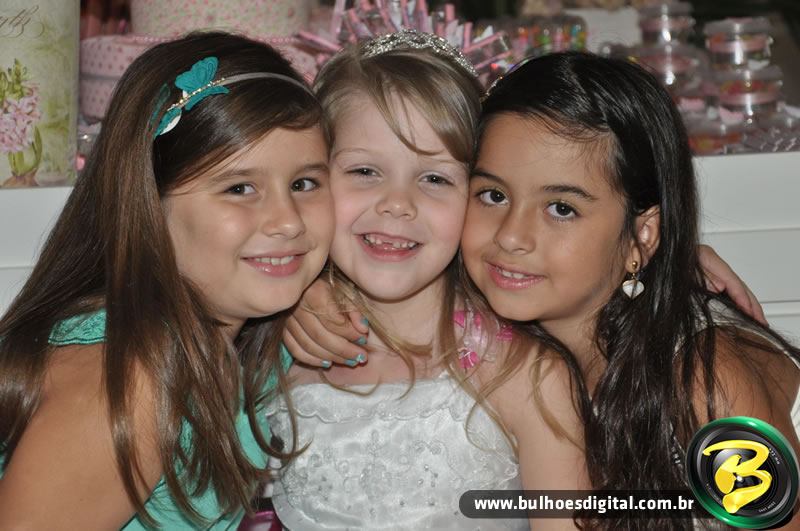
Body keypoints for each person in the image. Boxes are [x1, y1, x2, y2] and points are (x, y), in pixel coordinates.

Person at [0, 32, 334, 530]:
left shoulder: (242, 334)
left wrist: (318, 291)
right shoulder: (130, 386)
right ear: (148, 205)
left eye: (304, 183)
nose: (288, 221)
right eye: (239, 188)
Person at [459, 51, 800, 529]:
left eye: (561, 208)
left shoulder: (703, 382)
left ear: (643, 233)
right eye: (493, 195)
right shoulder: (493, 330)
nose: (512, 236)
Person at [266, 31, 588, 531]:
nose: (398, 204)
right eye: (365, 171)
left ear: (478, 196)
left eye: (435, 178)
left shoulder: (526, 377)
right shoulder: (271, 352)